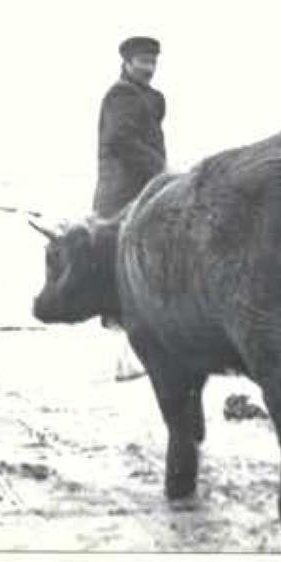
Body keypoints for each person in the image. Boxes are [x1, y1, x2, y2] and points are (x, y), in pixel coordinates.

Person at [94, 36, 167, 381]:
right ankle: (121, 361)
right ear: (126, 62)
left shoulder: (152, 99)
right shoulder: (119, 96)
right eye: (142, 61)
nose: (149, 68)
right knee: (120, 275)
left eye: (153, 61)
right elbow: (119, 141)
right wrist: (161, 170)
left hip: (144, 194)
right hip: (120, 196)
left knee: (141, 272)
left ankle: (133, 356)